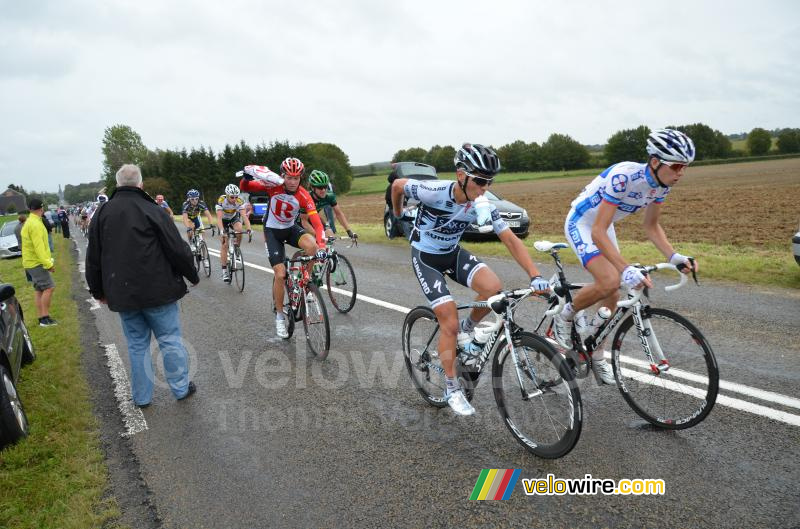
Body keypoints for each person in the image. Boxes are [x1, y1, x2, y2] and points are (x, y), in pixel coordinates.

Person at [390, 143, 550, 416]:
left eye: (489, 182)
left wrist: (535, 275)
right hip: (426, 257)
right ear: (461, 175)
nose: (484, 187)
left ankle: (467, 328)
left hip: (452, 253)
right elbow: (397, 186)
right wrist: (397, 214)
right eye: (480, 181)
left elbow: (510, 239)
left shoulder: (482, 205)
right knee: (447, 321)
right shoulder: (433, 191)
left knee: (493, 288)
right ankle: (452, 388)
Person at [551, 129, 699, 385]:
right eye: (676, 166)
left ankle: (596, 353)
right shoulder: (624, 177)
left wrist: (674, 256)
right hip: (583, 222)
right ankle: (565, 316)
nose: (680, 173)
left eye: (684, 167)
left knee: (614, 291)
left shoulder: (661, 186)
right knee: (610, 279)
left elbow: (651, 226)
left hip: (604, 226)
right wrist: (625, 268)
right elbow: (596, 231)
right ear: (655, 162)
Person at [85, 164, 199, 408]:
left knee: (137, 345)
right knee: (170, 341)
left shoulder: (103, 214)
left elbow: (93, 255)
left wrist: (98, 290)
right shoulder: (152, 209)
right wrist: (192, 274)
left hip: (123, 293)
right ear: (141, 185)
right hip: (159, 290)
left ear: (117, 184)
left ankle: (142, 397)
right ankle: (180, 388)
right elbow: (176, 248)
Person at [237, 158, 327, 339]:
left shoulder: (303, 195)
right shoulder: (272, 186)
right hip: (272, 232)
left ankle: (306, 284)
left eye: (296, 178)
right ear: (282, 176)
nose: (292, 182)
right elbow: (246, 186)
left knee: (313, 247)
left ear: (301, 177)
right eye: (289, 177)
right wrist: (246, 178)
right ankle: (279, 316)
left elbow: (317, 224)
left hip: (290, 229)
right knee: (280, 274)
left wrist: (323, 246)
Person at [20, 198, 58, 327]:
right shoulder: (35, 224)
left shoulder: (30, 221)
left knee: (39, 290)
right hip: (36, 263)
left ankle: (41, 317)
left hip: (30, 262)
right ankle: (45, 318)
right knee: (49, 287)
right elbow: (39, 248)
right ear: (41, 208)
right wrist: (48, 264)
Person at [298, 170, 357, 242]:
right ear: (312, 188)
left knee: (330, 237)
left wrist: (349, 231)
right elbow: (304, 221)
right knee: (314, 244)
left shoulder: (329, 196)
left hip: (315, 218)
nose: (323, 190)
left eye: (325, 186)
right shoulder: (306, 198)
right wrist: (317, 235)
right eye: (320, 187)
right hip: (300, 221)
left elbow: (339, 214)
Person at [215, 184, 252, 282]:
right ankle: (224, 272)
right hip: (223, 220)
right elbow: (218, 218)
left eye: (236, 197)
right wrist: (222, 231)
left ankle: (236, 248)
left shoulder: (239, 201)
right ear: (227, 195)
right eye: (232, 197)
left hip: (233, 218)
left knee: (239, 230)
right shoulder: (221, 201)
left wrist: (249, 229)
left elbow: (244, 217)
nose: (234, 199)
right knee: (224, 244)